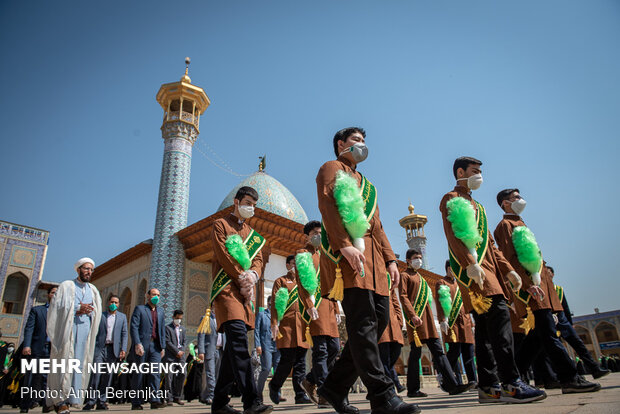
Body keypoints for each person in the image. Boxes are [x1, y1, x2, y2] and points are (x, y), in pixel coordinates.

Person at [316, 127, 419, 414]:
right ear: (341, 144)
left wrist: (390, 260)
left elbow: (379, 226)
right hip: (351, 260)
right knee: (362, 326)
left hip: (376, 265)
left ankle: (334, 387)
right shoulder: (331, 168)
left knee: (378, 322)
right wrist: (344, 245)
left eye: (364, 141)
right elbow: (329, 208)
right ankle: (382, 396)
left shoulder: (368, 185)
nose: (362, 146)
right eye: (356, 141)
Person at [439, 157, 545, 403]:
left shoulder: (479, 208)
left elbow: (492, 246)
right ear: (460, 172)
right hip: (478, 275)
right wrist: (470, 264)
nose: (479, 176)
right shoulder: (451, 198)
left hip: (490, 272)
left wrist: (508, 270)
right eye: (474, 171)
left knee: (486, 333)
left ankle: (488, 386)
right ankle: (511, 383)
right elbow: (455, 235)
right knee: (500, 329)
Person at [494, 188, 600, 394]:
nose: (520, 200)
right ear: (505, 203)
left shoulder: (521, 224)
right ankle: (569, 378)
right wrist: (527, 284)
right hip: (532, 291)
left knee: (536, 340)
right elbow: (510, 260)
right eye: (515, 198)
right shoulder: (505, 226)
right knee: (550, 335)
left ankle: (510, 377)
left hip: (542, 288)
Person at [209, 186, 272, 414]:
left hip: (245, 295)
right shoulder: (220, 225)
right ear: (236, 202)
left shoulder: (252, 233)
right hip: (227, 290)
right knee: (238, 343)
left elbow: (258, 259)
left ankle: (219, 403)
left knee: (231, 353)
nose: (251, 208)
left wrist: (253, 274)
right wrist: (241, 276)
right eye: (247, 202)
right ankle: (251, 401)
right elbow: (223, 254)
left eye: (254, 205)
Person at [399, 249, 470, 398]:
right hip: (416, 322)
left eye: (419, 257)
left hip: (429, 321)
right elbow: (404, 297)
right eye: (415, 258)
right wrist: (412, 315)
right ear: (407, 260)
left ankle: (452, 385)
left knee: (439, 353)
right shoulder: (404, 276)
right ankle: (413, 389)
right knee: (415, 354)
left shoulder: (421, 277)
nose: (418, 260)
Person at [47, 257, 102, 414]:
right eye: (86, 269)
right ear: (78, 269)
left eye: (91, 269)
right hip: (67, 332)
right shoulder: (66, 286)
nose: (88, 272)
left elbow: (97, 311)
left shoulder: (93, 290)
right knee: (63, 364)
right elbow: (56, 307)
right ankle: (59, 400)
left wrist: (89, 311)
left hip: (84, 334)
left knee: (79, 365)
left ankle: (72, 399)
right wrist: (77, 308)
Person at [295, 220, 341, 407]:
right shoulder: (302, 254)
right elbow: (302, 282)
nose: (318, 236)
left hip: (329, 307)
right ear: (307, 235)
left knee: (335, 349)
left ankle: (309, 380)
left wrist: (337, 307)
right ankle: (324, 392)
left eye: (320, 233)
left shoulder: (325, 255)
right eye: (314, 233)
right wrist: (308, 305)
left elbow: (331, 283)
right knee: (320, 351)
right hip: (315, 307)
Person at [548, 266, 610, 379]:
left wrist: (570, 323)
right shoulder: (542, 288)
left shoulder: (558, 289)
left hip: (562, 322)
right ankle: (561, 375)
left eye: (549, 273)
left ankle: (594, 368)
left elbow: (565, 308)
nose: (548, 275)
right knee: (556, 350)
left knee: (579, 344)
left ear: (553, 275)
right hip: (549, 322)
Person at [268, 255, 312, 405]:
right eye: (293, 264)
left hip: (303, 327)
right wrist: (274, 323)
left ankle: (300, 394)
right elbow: (275, 304)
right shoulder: (280, 281)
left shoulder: (304, 283)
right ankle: (274, 386)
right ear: (288, 265)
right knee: (287, 361)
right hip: (287, 327)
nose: (296, 267)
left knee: (301, 363)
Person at [435, 260, 477, 387]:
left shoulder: (462, 283)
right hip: (452, 323)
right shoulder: (442, 283)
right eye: (451, 268)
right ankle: (446, 376)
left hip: (465, 322)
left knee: (469, 352)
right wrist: (443, 319)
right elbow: (440, 302)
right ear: (447, 268)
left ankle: (472, 380)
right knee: (454, 352)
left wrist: (472, 321)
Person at [83, 294, 128, 410]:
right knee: (96, 375)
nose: (114, 304)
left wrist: (123, 349)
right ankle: (91, 400)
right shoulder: (100, 316)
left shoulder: (122, 317)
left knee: (107, 376)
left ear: (119, 304)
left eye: (116, 303)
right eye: (112, 302)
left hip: (113, 349)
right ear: (108, 302)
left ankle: (102, 400)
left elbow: (124, 334)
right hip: (100, 348)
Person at [20, 286, 56, 413]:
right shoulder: (37, 310)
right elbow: (29, 328)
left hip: (51, 350)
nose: (55, 295)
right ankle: (25, 404)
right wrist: (27, 345)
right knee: (32, 377)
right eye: (53, 293)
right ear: (48, 295)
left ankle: (46, 404)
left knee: (48, 378)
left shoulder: (61, 313)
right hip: (37, 348)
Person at [129, 287, 166, 410]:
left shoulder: (160, 312)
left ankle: (154, 400)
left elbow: (161, 330)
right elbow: (134, 327)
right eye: (154, 294)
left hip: (155, 346)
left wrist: (163, 347)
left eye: (158, 295)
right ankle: (136, 402)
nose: (156, 297)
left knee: (155, 373)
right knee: (139, 373)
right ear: (147, 296)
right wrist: (137, 343)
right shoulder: (140, 309)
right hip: (142, 345)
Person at [378, 276, 406, 394]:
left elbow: (395, 300)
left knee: (395, 353)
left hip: (393, 323)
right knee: (385, 358)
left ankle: (393, 384)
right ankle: (393, 387)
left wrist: (399, 320)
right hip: (381, 324)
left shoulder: (388, 278)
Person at [254, 297, 280, 402]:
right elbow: (257, 330)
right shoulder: (262, 315)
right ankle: (258, 392)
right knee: (267, 368)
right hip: (266, 344)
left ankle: (277, 393)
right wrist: (258, 345)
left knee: (278, 369)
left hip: (277, 345)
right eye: (269, 304)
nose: (271, 306)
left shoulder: (279, 315)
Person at [164, 310, 187, 405]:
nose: (179, 320)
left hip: (180, 357)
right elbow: (167, 342)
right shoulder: (167, 328)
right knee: (169, 377)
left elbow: (185, 341)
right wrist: (176, 351)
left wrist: (182, 351)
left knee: (183, 374)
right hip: (170, 356)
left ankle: (177, 396)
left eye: (180, 318)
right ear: (173, 317)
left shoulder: (183, 329)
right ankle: (169, 398)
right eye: (177, 318)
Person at [198, 308, 218, 405]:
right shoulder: (205, 319)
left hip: (220, 350)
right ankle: (212, 396)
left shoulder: (221, 318)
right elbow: (201, 335)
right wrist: (201, 351)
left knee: (217, 374)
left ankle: (205, 395)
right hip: (209, 349)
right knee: (210, 373)